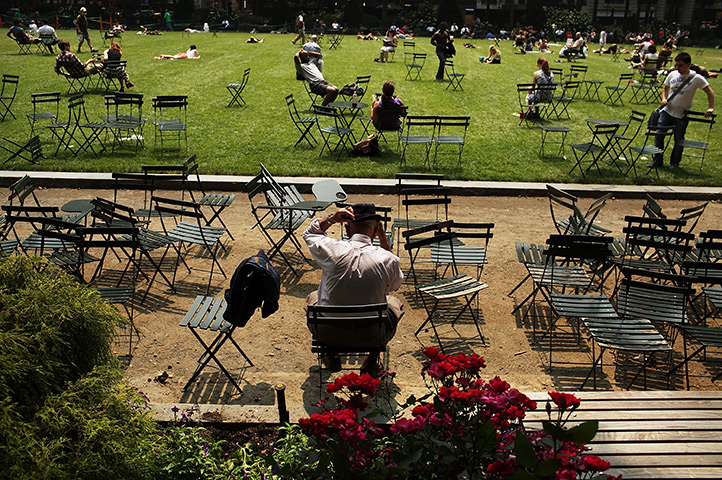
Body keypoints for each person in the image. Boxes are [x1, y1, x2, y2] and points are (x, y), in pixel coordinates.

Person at [303, 204, 404, 376]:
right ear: (375, 232)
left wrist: (331, 219)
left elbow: (310, 233)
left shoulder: (331, 250)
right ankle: (372, 360)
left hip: (329, 333)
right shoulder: (388, 258)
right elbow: (394, 286)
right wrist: (383, 239)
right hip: (372, 335)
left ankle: (331, 353)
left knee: (313, 297)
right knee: (394, 302)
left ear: (348, 231)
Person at [651, 52, 715, 169]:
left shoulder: (697, 78)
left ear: (688, 65)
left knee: (679, 140)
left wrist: (711, 108)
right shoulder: (673, 74)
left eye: (680, 65)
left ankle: (674, 163)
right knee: (659, 136)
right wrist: (664, 99)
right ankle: (657, 161)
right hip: (667, 111)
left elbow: (709, 92)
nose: (677, 68)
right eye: (676, 65)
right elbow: (665, 88)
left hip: (682, 115)